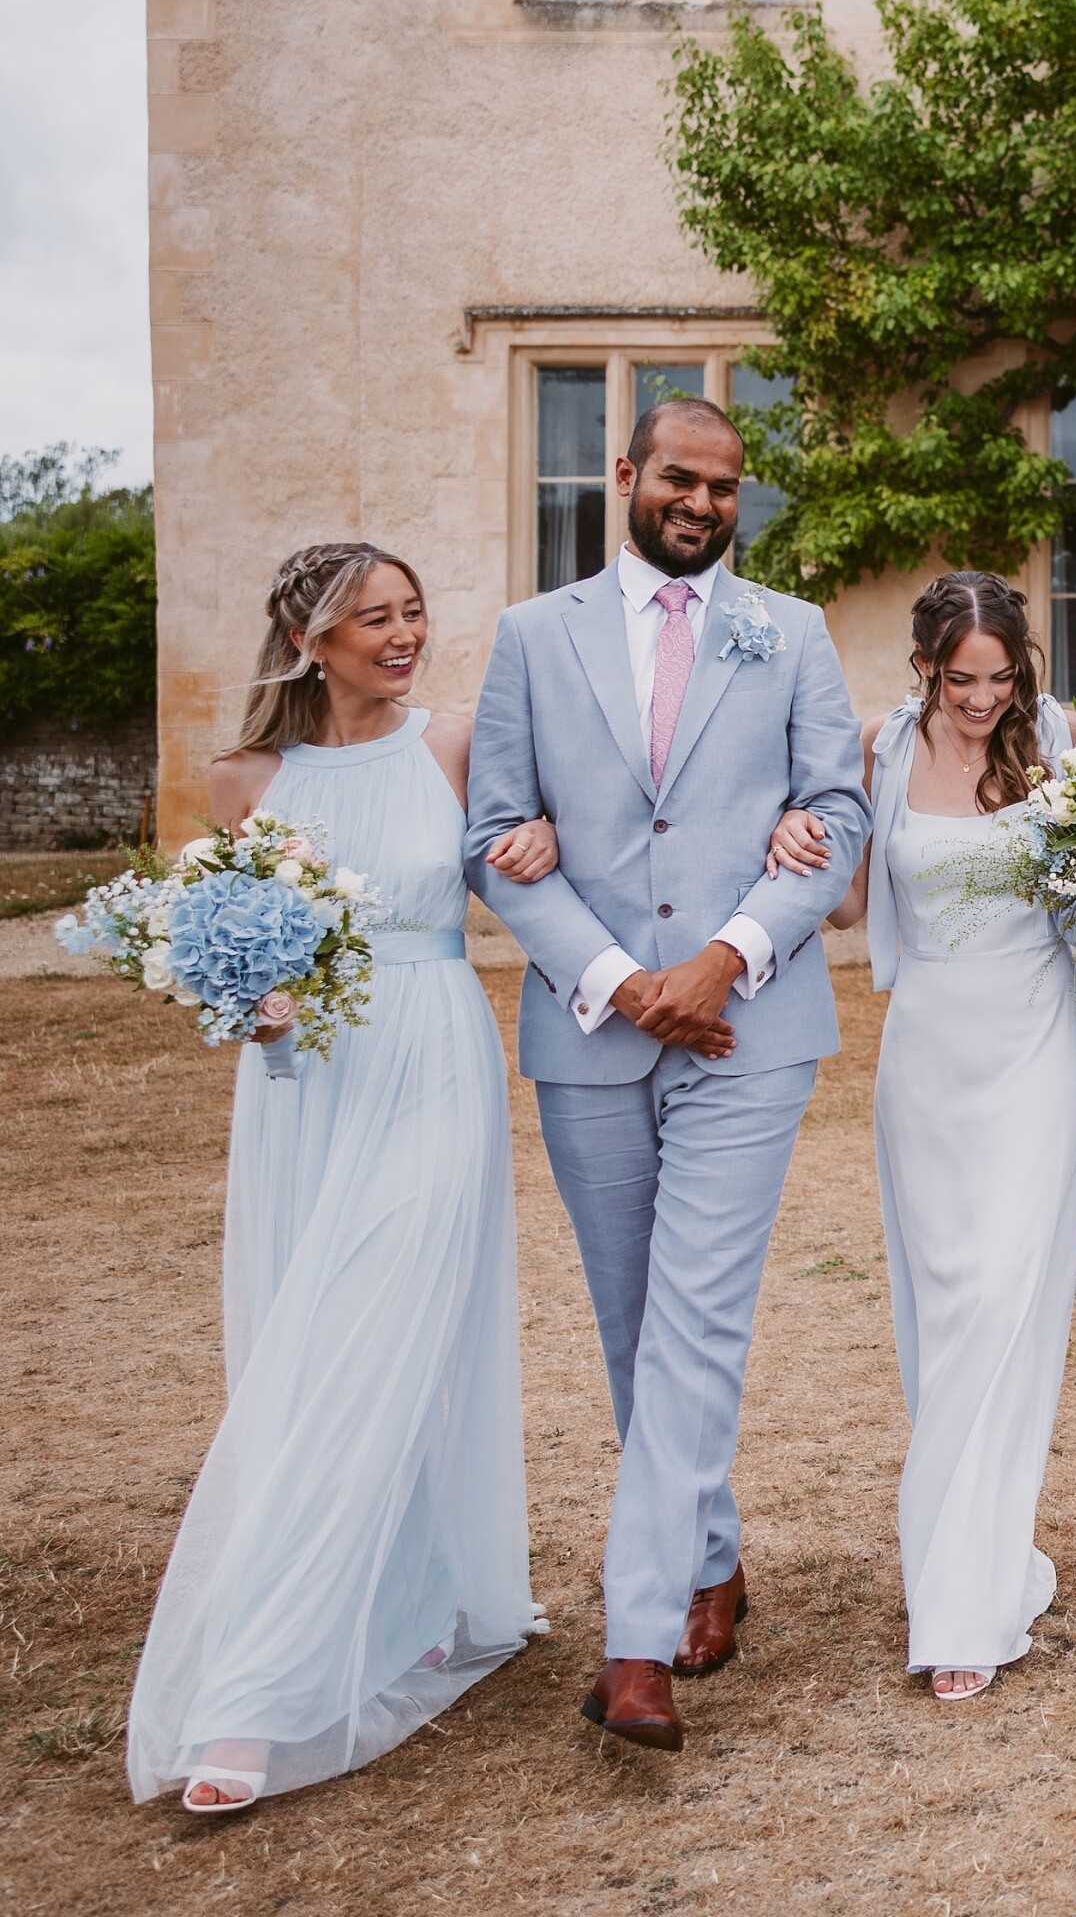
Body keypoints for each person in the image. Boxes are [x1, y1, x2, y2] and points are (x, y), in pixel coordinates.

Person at [465, 398, 870, 1753]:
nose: (702, 503)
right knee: (636, 1318)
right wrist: (616, 982)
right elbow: (495, 832)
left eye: (726, 487)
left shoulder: (793, 631)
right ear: (626, 476)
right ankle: (706, 1559)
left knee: (697, 1317)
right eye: (680, 479)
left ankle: (634, 1643)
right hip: (592, 1030)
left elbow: (842, 809)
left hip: (746, 1024)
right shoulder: (533, 637)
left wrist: (725, 955)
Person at [128, 544, 552, 1811]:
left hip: (431, 1058)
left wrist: (532, 844)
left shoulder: (461, 741)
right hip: (304, 1082)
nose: (405, 633)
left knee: (381, 1335)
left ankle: (253, 1694)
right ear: (310, 640)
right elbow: (218, 941)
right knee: (311, 1347)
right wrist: (241, 999)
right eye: (376, 618)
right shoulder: (246, 779)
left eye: (414, 610)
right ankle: (407, 1595)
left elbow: (529, 858)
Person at [764, 574, 1076, 1702]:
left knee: (1006, 1299)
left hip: (1037, 1040)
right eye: (963, 680)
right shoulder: (877, 747)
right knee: (946, 1307)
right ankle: (979, 1552)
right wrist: (795, 831)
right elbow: (851, 908)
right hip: (928, 1051)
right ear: (924, 667)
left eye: (1002, 679)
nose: (985, 701)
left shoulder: (1063, 738)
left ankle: (960, 1600)